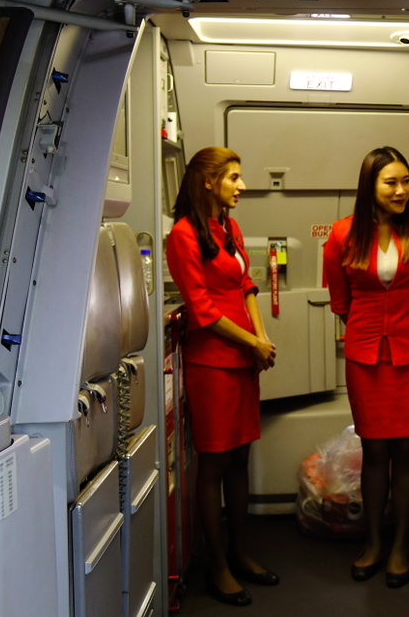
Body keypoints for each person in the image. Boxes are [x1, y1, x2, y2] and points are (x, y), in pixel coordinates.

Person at [323, 146, 409, 589]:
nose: (401, 190)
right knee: (374, 451)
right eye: (390, 182)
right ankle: (373, 542)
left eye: (406, 181)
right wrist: (372, 324)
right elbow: (340, 301)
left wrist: (403, 320)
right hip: (367, 353)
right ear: (369, 187)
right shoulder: (342, 235)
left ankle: (400, 546)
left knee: (407, 451)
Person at [166, 146, 278, 607]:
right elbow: (203, 312)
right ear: (208, 182)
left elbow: (246, 285)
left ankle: (238, 552)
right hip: (212, 361)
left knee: (239, 459)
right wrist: (251, 343)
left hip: (243, 360)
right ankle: (215, 565)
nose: (242, 185)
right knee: (212, 464)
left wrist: (261, 334)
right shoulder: (182, 235)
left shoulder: (227, 227)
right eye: (233, 177)